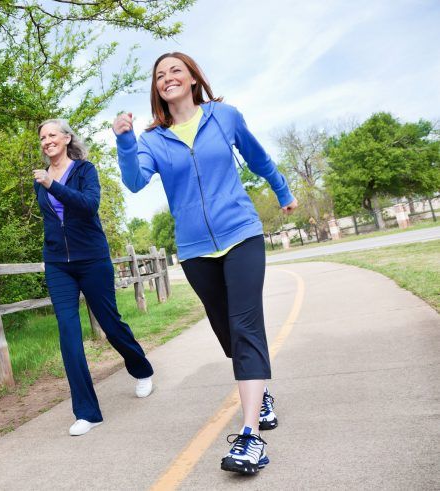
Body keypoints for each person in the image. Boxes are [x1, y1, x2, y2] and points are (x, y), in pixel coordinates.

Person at [112, 52, 297, 475]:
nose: (168, 78)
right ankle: (261, 390)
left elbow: (258, 157)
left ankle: (250, 436)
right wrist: (125, 141)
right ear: (156, 89)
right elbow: (135, 181)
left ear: (194, 78)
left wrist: (282, 191)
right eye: (160, 75)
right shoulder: (154, 140)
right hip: (195, 249)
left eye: (176, 70)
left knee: (246, 324)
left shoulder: (224, 116)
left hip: (241, 233)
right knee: (225, 328)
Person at [33, 119, 155, 437]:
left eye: (52, 135)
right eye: (42, 137)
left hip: (93, 261)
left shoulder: (85, 170)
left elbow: (89, 207)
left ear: (66, 137)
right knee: (69, 335)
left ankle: (141, 368)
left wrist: (52, 185)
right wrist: (49, 256)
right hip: (59, 265)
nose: (47, 141)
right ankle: (87, 412)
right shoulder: (40, 179)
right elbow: (51, 222)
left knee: (110, 324)